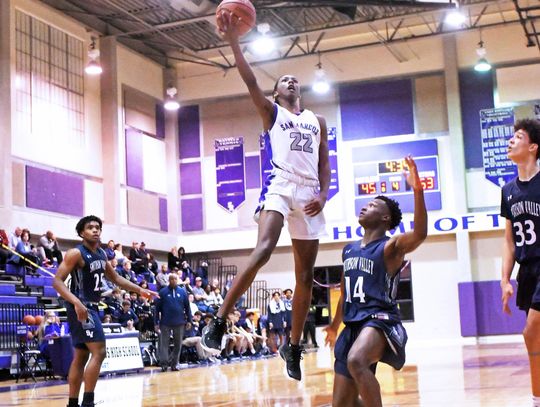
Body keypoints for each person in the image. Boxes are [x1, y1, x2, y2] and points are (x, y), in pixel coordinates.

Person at [202, 10, 330, 382]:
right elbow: (248, 79)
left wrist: (323, 195)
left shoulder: (317, 121)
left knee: (305, 275)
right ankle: (220, 320)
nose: (290, 81)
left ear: (299, 90)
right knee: (263, 250)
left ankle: (292, 346)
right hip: (280, 184)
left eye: (294, 79)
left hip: (308, 194)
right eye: (283, 80)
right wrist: (232, 42)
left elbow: (325, 165)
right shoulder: (271, 112)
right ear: (275, 93)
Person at [323, 156, 427, 407]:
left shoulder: (391, 246)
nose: (365, 207)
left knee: (357, 360)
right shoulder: (349, 250)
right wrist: (334, 326)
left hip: (379, 320)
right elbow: (345, 293)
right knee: (342, 404)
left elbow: (420, 233)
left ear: (385, 219)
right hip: (353, 323)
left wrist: (417, 189)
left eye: (372, 205)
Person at [52, 215, 158, 407]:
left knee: (81, 355)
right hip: (81, 306)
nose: (95, 230)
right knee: (99, 352)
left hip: (90, 305)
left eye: (98, 227)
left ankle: (73, 403)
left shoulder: (101, 254)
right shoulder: (76, 253)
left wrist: (140, 290)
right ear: (81, 233)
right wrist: (77, 303)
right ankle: (88, 403)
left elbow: (117, 279)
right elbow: (57, 281)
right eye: (90, 227)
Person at [499, 119, 540, 407]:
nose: (511, 141)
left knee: (531, 331)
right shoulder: (508, 191)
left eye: (518, 137)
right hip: (527, 271)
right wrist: (505, 279)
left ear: (533, 146)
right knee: (534, 341)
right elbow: (509, 241)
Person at [155, 273, 192, 372]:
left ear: (178, 280)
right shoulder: (162, 292)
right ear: (168, 280)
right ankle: (163, 364)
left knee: (178, 344)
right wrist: (156, 323)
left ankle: (174, 364)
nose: (173, 281)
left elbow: (187, 307)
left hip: (179, 322)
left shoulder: (183, 292)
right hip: (165, 322)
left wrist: (189, 320)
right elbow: (156, 309)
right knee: (164, 344)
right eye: (171, 279)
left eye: (175, 279)